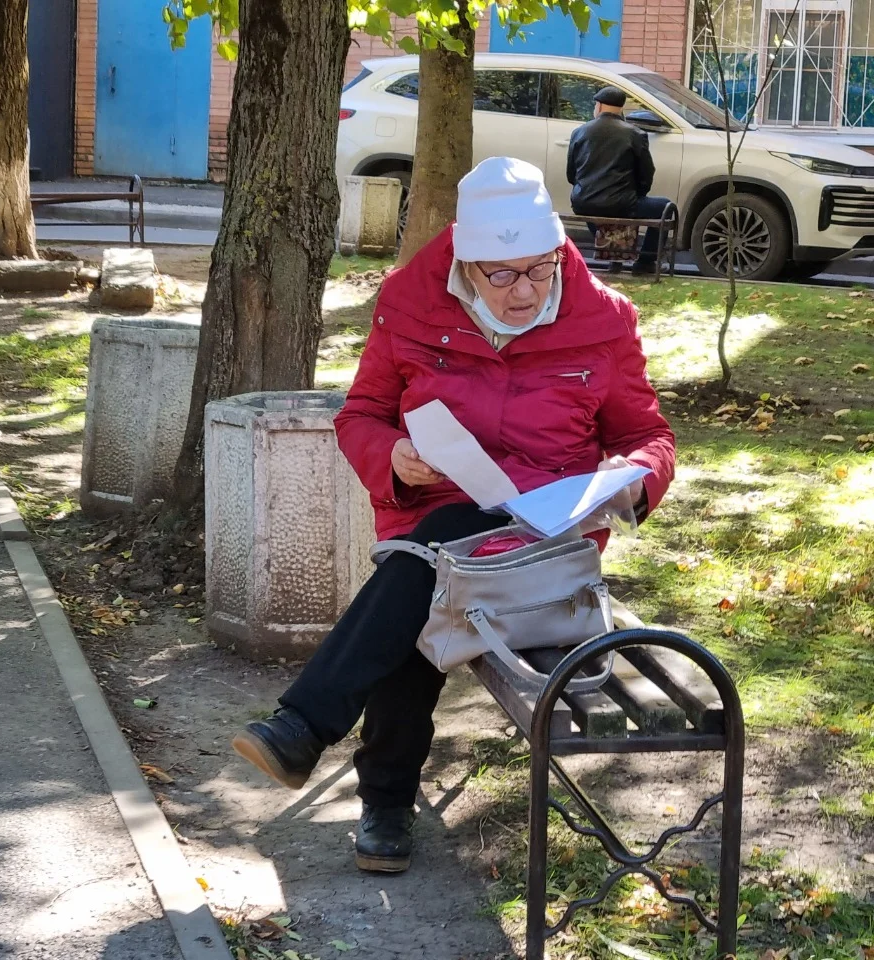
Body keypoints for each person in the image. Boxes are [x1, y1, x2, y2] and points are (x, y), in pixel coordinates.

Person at [231, 157, 676, 874]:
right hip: (436, 519)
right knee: (434, 567)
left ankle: (333, 756)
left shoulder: (604, 319)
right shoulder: (410, 304)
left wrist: (634, 476)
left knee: (426, 567)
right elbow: (364, 415)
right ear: (464, 265)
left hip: (544, 547)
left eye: (540, 268)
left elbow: (646, 437)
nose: (524, 290)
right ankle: (361, 785)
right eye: (501, 275)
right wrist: (397, 458)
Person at [566, 86, 673, 274]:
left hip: (583, 202)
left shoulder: (580, 132)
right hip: (622, 202)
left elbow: (571, 174)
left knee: (596, 208)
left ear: (598, 106)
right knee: (664, 207)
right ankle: (646, 261)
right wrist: (638, 194)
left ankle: (612, 254)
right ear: (620, 109)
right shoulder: (635, 134)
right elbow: (646, 173)